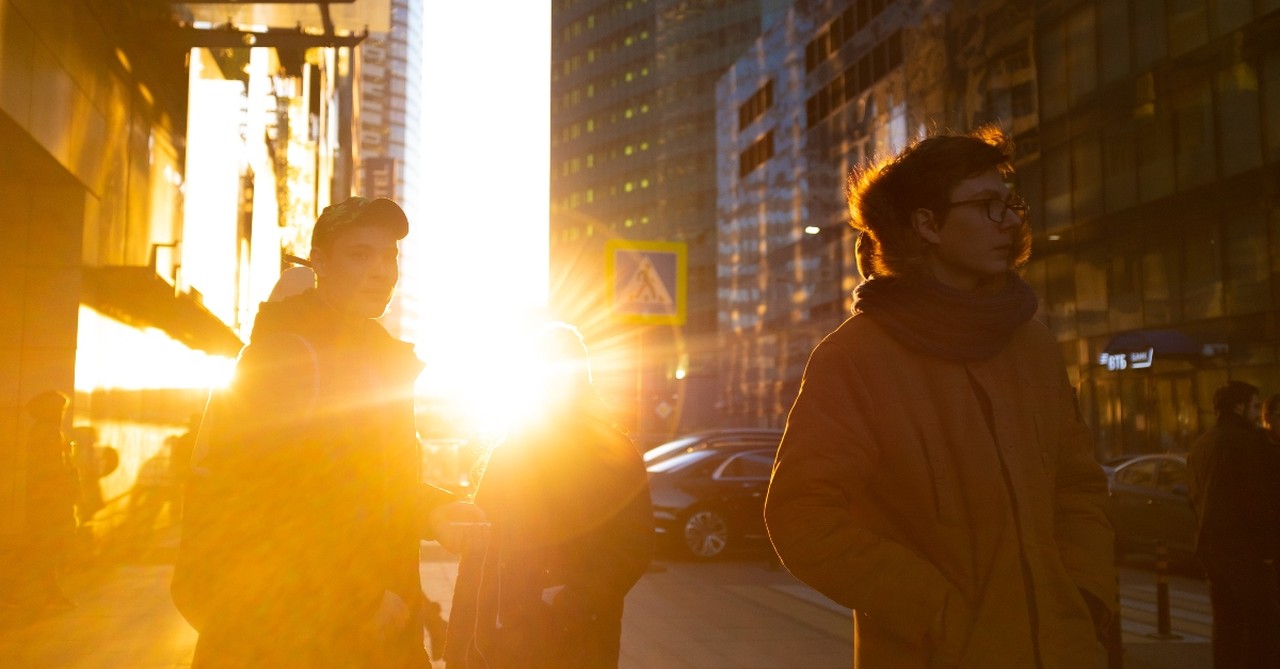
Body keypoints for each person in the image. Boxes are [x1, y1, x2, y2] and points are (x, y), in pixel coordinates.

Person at [764, 128, 1117, 668]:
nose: (1010, 222)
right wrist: (935, 612)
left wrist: (1084, 593)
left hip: (1064, 649)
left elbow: (1078, 488)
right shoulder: (856, 357)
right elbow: (802, 516)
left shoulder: (1033, 344)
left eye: (1010, 205)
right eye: (985, 206)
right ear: (927, 224)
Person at [173, 196, 486, 668]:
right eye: (360, 254)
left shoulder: (365, 355)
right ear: (319, 262)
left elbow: (355, 484)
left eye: (389, 256)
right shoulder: (289, 358)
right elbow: (257, 503)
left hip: (364, 630)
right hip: (294, 638)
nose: (381, 270)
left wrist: (434, 508)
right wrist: (356, 601)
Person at [444, 323, 654, 669]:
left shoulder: (613, 453)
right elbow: (477, 555)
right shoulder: (510, 451)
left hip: (577, 641)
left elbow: (636, 544)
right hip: (500, 642)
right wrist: (461, 645)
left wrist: (571, 599)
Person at [1187, 381, 1280, 668]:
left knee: (1226, 623)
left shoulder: (1201, 444)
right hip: (1244, 549)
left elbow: (1194, 497)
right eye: (1254, 406)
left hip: (1211, 549)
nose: (1257, 413)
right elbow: (1257, 500)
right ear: (1239, 407)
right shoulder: (1246, 443)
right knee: (1262, 622)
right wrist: (1268, 550)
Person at [22, 390, 79, 611]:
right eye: (59, 409)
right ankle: (49, 595)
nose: (62, 413)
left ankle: (48, 593)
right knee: (47, 549)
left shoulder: (47, 431)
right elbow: (53, 470)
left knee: (45, 549)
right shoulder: (47, 433)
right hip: (48, 503)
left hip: (48, 501)